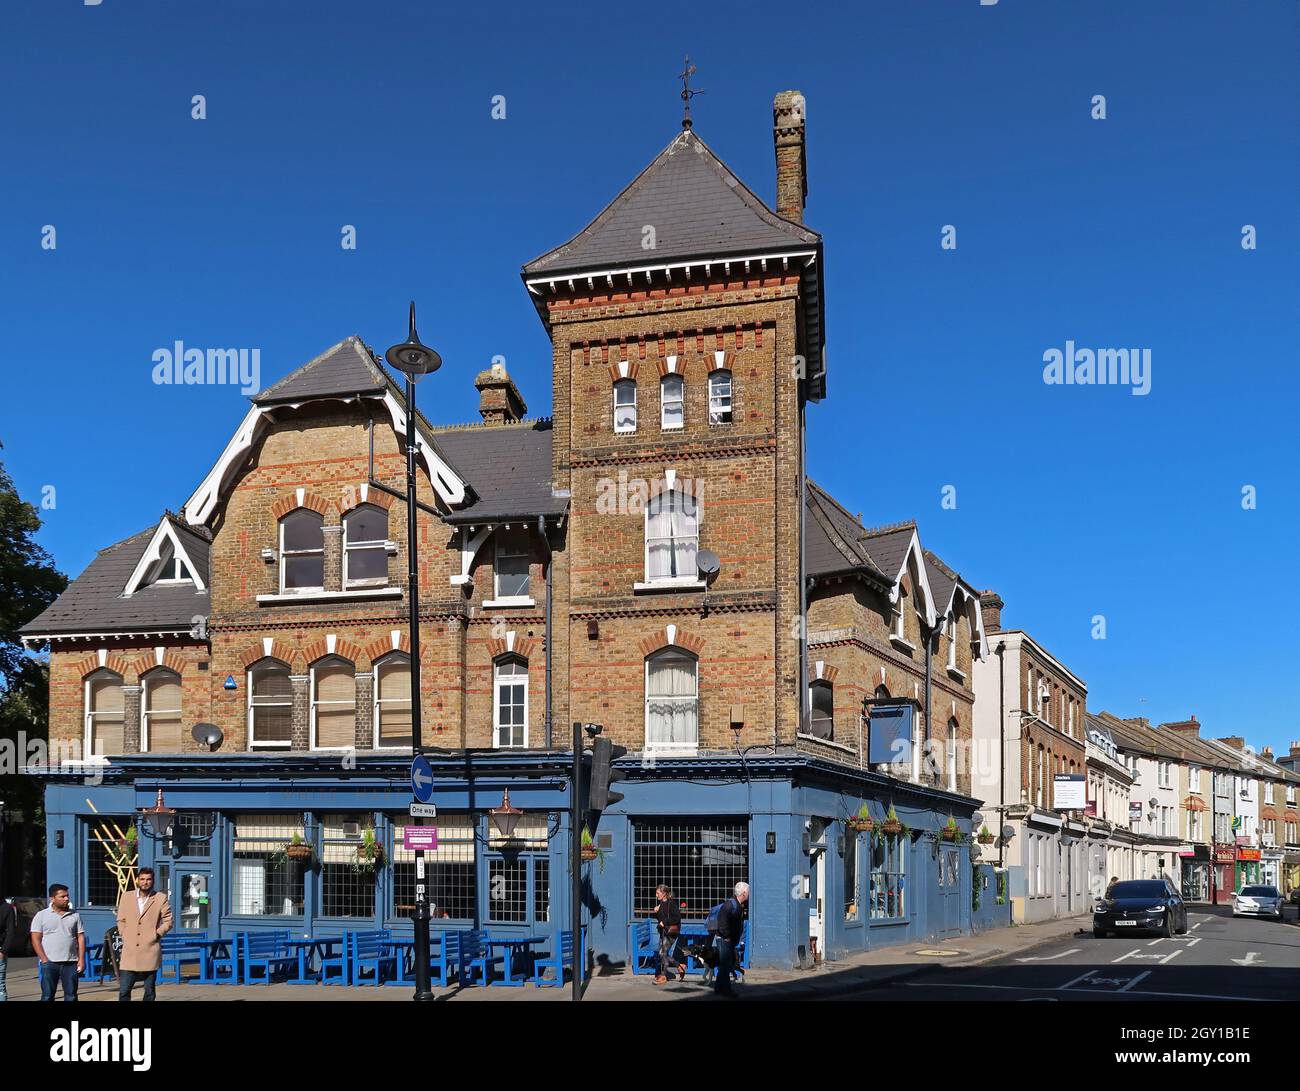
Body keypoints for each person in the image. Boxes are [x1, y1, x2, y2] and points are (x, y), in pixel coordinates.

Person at [115, 867, 173, 1001]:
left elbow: (168, 921)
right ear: (137, 880)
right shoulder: (126, 896)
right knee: (124, 990)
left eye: (148, 879)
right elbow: (121, 919)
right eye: (142, 879)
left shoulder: (160, 898)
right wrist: (124, 933)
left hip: (150, 951)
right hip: (129, 952)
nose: (145, 882)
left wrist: (156, 934)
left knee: (149, 990)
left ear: (152, 881)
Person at [31, 883, 86, 1002]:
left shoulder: (75, 915)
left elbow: (80, 937)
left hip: (70, 962)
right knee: (47, 996)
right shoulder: (41, 916)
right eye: (62, 896)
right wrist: (44, 959)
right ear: (52, 898)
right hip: (50, 963)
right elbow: (35, 939)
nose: (66, 899)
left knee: (71, 996)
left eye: (67, 896)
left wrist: (81, 959)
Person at [714, 881, 749, 998]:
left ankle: (718, 988)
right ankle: (727, 990)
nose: (749, 894)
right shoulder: (730, 905)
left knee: (725, 964)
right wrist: (727, 936)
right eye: (748, 892)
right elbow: (722, 922)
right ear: (744, 893)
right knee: (726, 965)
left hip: (729, 940)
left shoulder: (737, 905)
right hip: (724, 939)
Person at [651, 884, 684, 985]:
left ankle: (663, 976)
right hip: (663, 932)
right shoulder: (661, 904)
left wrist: (664, 922)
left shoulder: (671, 904)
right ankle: (679, 966)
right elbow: (660, 919)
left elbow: (677, 918)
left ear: (664, 893)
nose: (656, 895)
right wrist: (656, 912)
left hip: (671, 933)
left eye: (658, 893)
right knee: (663, 953)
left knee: (662, 953)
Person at [0, 896, 17, 1002]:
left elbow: (11, 931)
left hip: (0, 949)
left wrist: (3, 951)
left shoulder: (6, 908)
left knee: (0, 986)